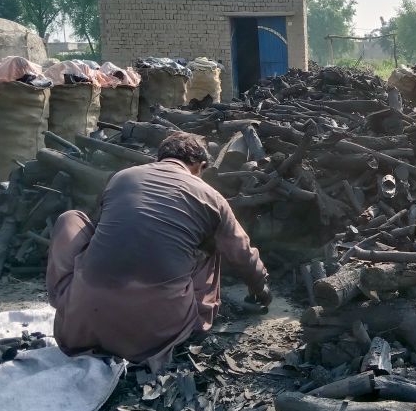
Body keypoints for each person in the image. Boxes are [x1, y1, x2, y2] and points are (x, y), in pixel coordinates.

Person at [46, 132, 271, 371]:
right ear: (200, 166)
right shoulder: (211, 197)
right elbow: (241, 254)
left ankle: (70, 300)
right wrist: (261, 287)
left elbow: (101, 229)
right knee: (212, 245)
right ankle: (196, 323)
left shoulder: (122, 178)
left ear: (160, 157)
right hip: (152, 338)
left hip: (76, 330)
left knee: (71, 220)